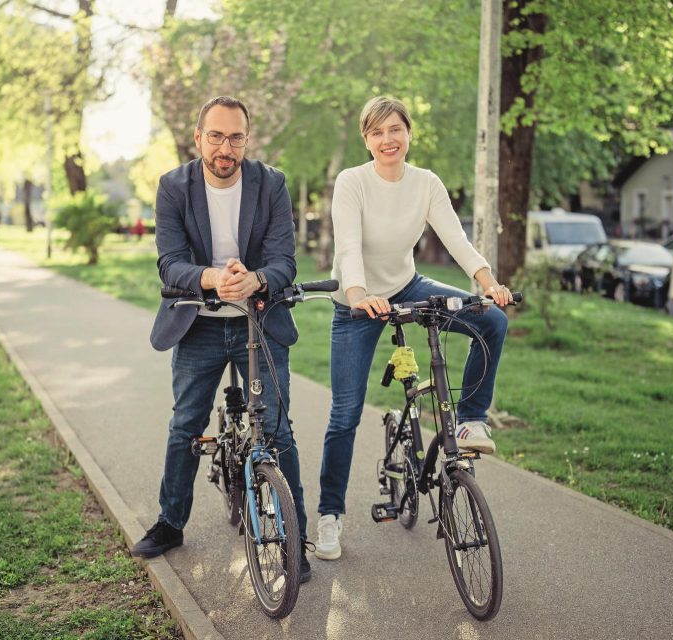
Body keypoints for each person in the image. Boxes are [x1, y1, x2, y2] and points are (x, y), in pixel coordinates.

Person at [315, 96, 515, 561]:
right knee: (344, 414)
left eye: (395, 130)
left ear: (409, 134)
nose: (388, 140)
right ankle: (329, 516)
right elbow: (347, 248)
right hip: (356, 300)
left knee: (491, 321)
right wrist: (360, 294)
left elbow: (456, 239)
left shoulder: (425, 183)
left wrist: (489, 283)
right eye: (377, 132)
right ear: (366, 139)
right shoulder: (352, 182)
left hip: (407, 286)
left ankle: (470, 422)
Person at [133, 96, 311, 583]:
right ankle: (171, 522)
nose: (225, 147)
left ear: (246, 140)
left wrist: (255, 280)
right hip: (199, 319)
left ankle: (297, 539)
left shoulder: (271, 183)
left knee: (277, 431)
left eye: (235, 137)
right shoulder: (173, 186)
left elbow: (284, 262)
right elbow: (170, 263)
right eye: (215, 136)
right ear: (199, 138)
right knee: (186, 423)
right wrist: (213, 278)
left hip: (258, 317)